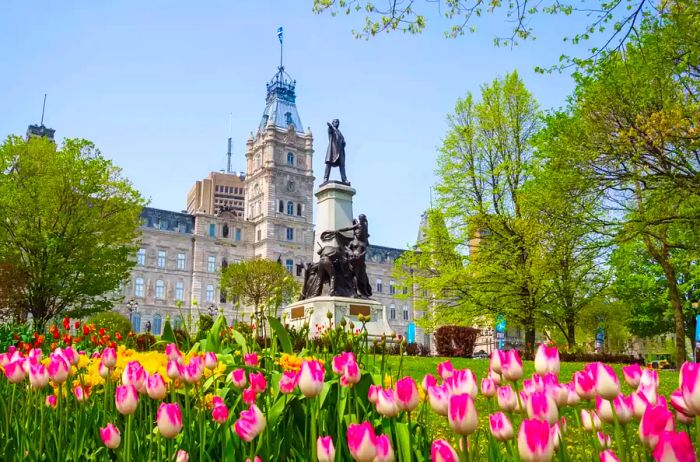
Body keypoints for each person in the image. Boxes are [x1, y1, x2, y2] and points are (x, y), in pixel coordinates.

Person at [323, 119, 349, 184]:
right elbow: (330, 130)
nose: (337, 123)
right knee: (328, 164)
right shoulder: (332, 129)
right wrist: (330, 126)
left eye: (338, 122)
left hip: (340, 150)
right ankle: (325, 178)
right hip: (333, 149)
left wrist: (343, 142)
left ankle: (344, 179)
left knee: (342, 165)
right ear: (333, 123)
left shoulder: (339, 132)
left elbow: (343, 140)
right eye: (335, 122)